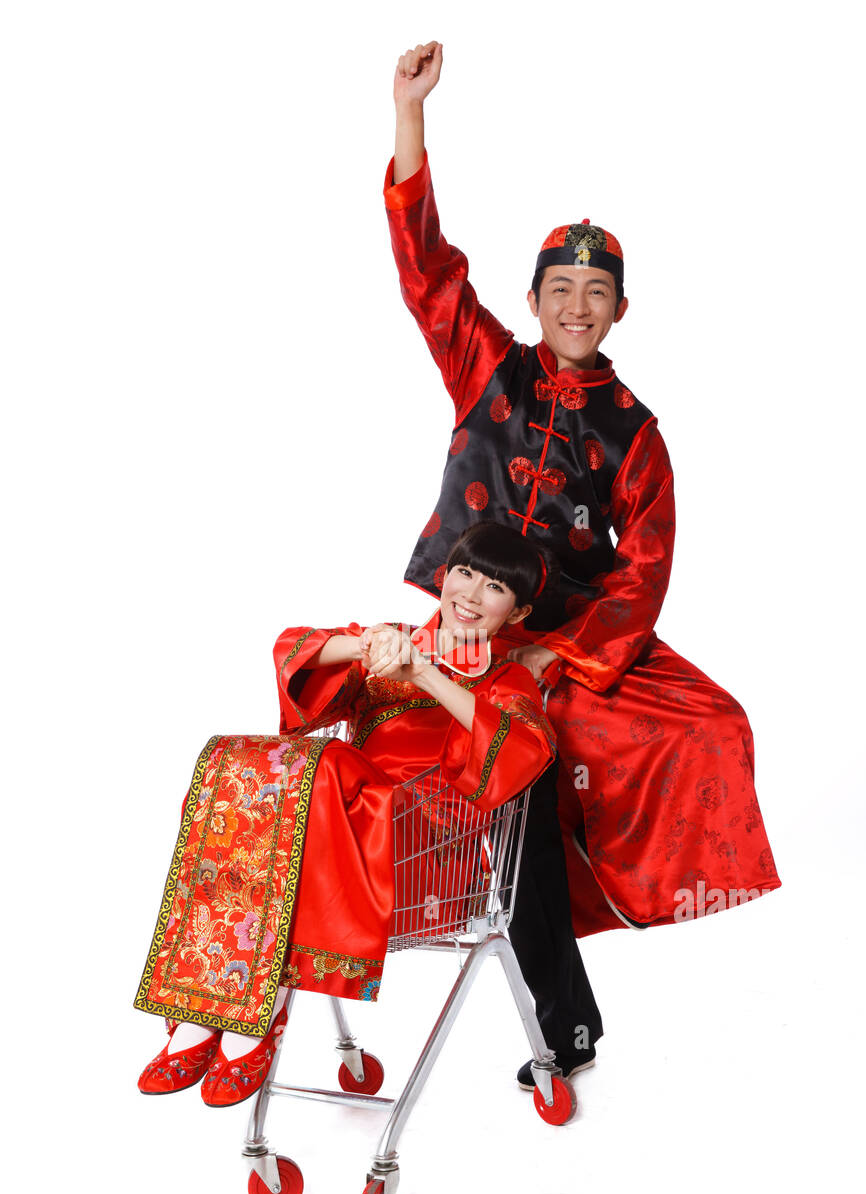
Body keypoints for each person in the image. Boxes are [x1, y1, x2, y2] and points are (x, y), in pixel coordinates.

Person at [385, 43, 781, 1073]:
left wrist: (555, 660)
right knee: (413, 790)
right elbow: (426, 267)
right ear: (531, 300)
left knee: (650, 756)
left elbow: (640, 570)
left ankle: (563, 1031)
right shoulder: (483, 369)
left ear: (618, 310)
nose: (575, 304)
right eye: (558, 286)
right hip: (464, 635)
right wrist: (409, 115)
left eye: (593, 291)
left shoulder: (636, 430)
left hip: (556, 653)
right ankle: (385, 984)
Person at [134, 523, 563, 1105]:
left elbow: (520, 752)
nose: (471, 593)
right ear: (443, 578)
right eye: (464, 573)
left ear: (516, 614)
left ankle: (253, 1009)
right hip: (333, 838)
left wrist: (425, 674)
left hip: (423, 858)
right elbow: (295, 647)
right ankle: (214, 1004)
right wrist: (369, 645)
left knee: (325, 764)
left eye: (494, 587)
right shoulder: (395, 643)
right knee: (238, 757)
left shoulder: (509, 679)